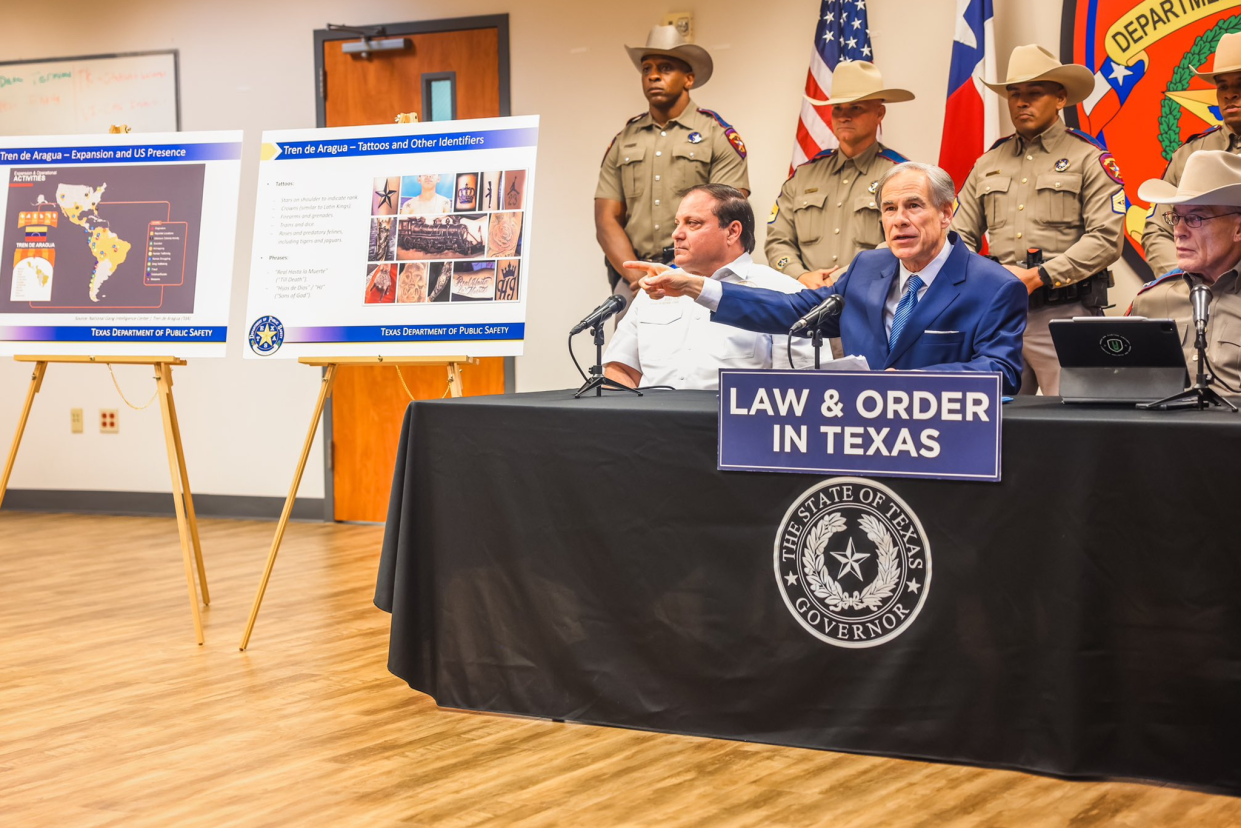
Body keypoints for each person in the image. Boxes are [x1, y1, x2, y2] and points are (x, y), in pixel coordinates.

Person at [634, 163, 1028, 394]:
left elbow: (1001, 372)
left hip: (942, 441)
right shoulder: (867, 267)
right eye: (889, 209)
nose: (899, 220)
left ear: (946, 213)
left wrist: (912, 381)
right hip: (857, 436)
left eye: (913, 206)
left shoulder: (992, 286)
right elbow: (792, 310)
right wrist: (695, 287)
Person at [951, 44, 1124, 396]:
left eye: (1034, 93)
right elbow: (959, 235)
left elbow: (1106, 239)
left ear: (1060, 98)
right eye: (1014, 94)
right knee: (997, 425)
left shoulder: (1088, 158)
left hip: (1063, 314)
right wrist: (978, 282)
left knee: (1075, 420)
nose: (1021, 103)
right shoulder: (988, 163)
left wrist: (1038, 277)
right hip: (998, 317)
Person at [595, 25, 749, 318]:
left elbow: (730, 219)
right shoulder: (624, 140)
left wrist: (680, 275)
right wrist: (636, 276)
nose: (653, 75)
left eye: (665, 68)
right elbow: (606, 220)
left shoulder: (717, 135)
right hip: (636, 280)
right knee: (625, 362)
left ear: (688, 79)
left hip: (699, 277)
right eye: (647, 69)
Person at [602, 184, 811, 390]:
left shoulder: (783, 291)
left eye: (692, 223)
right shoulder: (655, 288)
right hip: (654, 421)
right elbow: (621, 369)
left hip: (733, 422)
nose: (676, 234)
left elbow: (800, 386)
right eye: (677, 223)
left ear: (732, 232)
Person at [766, 61, 913, 289]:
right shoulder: (804, 175)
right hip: (806, 296)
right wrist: (799, 275)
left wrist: (837, 280)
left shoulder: (901, 176)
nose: (844, 116)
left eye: (856, 108)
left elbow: (904, 241)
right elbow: (777, 240)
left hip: (874, 297)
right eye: (838, 108)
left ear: (880, 113)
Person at [1129, 150, 1241, 391]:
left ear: (1238, 230)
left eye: (1196, 218)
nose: (1178, 231)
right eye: (1176, 217)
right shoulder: (1150, 302)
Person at [1143, 32, 1241, 279]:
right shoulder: (1189, 155)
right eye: (1223, 86)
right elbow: (1157, 229)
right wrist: (1184, 279)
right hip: (1197, 295)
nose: (1230, 94)